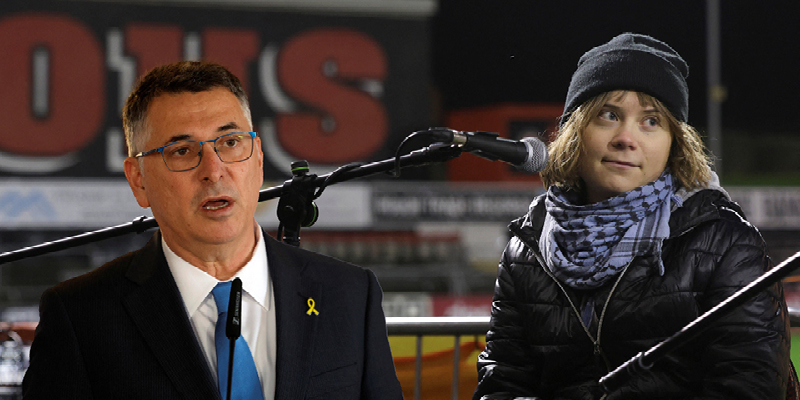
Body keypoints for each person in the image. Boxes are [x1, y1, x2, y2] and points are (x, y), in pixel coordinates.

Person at [22, 61, 403, 399]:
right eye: (182, 151)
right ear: (138, 180)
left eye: (231, 142)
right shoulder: (80, 315)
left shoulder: (349, 294)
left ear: (258, 160)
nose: (214, 170)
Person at [474, 33, 792, 400]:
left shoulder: (726, 243)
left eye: (651, 121)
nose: (626, 138)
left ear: (675, 143)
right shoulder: (526, 249)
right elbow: (500, 385)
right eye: (608, 115)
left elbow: (748, 387)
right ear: (576, 133)